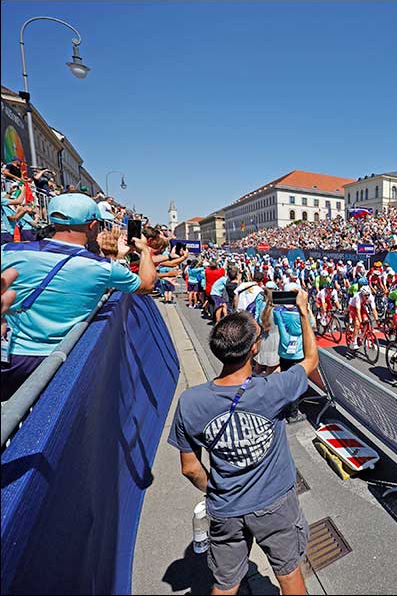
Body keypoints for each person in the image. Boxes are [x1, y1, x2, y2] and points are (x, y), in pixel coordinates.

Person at [168, 290, 318, 596]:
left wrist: (217, 489)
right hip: (275, 503)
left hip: (225, 508)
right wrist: (303, 311)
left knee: (225, 585)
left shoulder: (190, 402)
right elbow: (311, 360)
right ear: (254, 349)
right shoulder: (273, 388)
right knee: (289, 575)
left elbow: (190, 469)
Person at [0, 193, 157, 400]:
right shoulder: (101, 267)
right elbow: (146, 284)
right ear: (92, 225)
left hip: (8, 353)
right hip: (56, 360)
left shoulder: (9, 250)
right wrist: (144, 251)